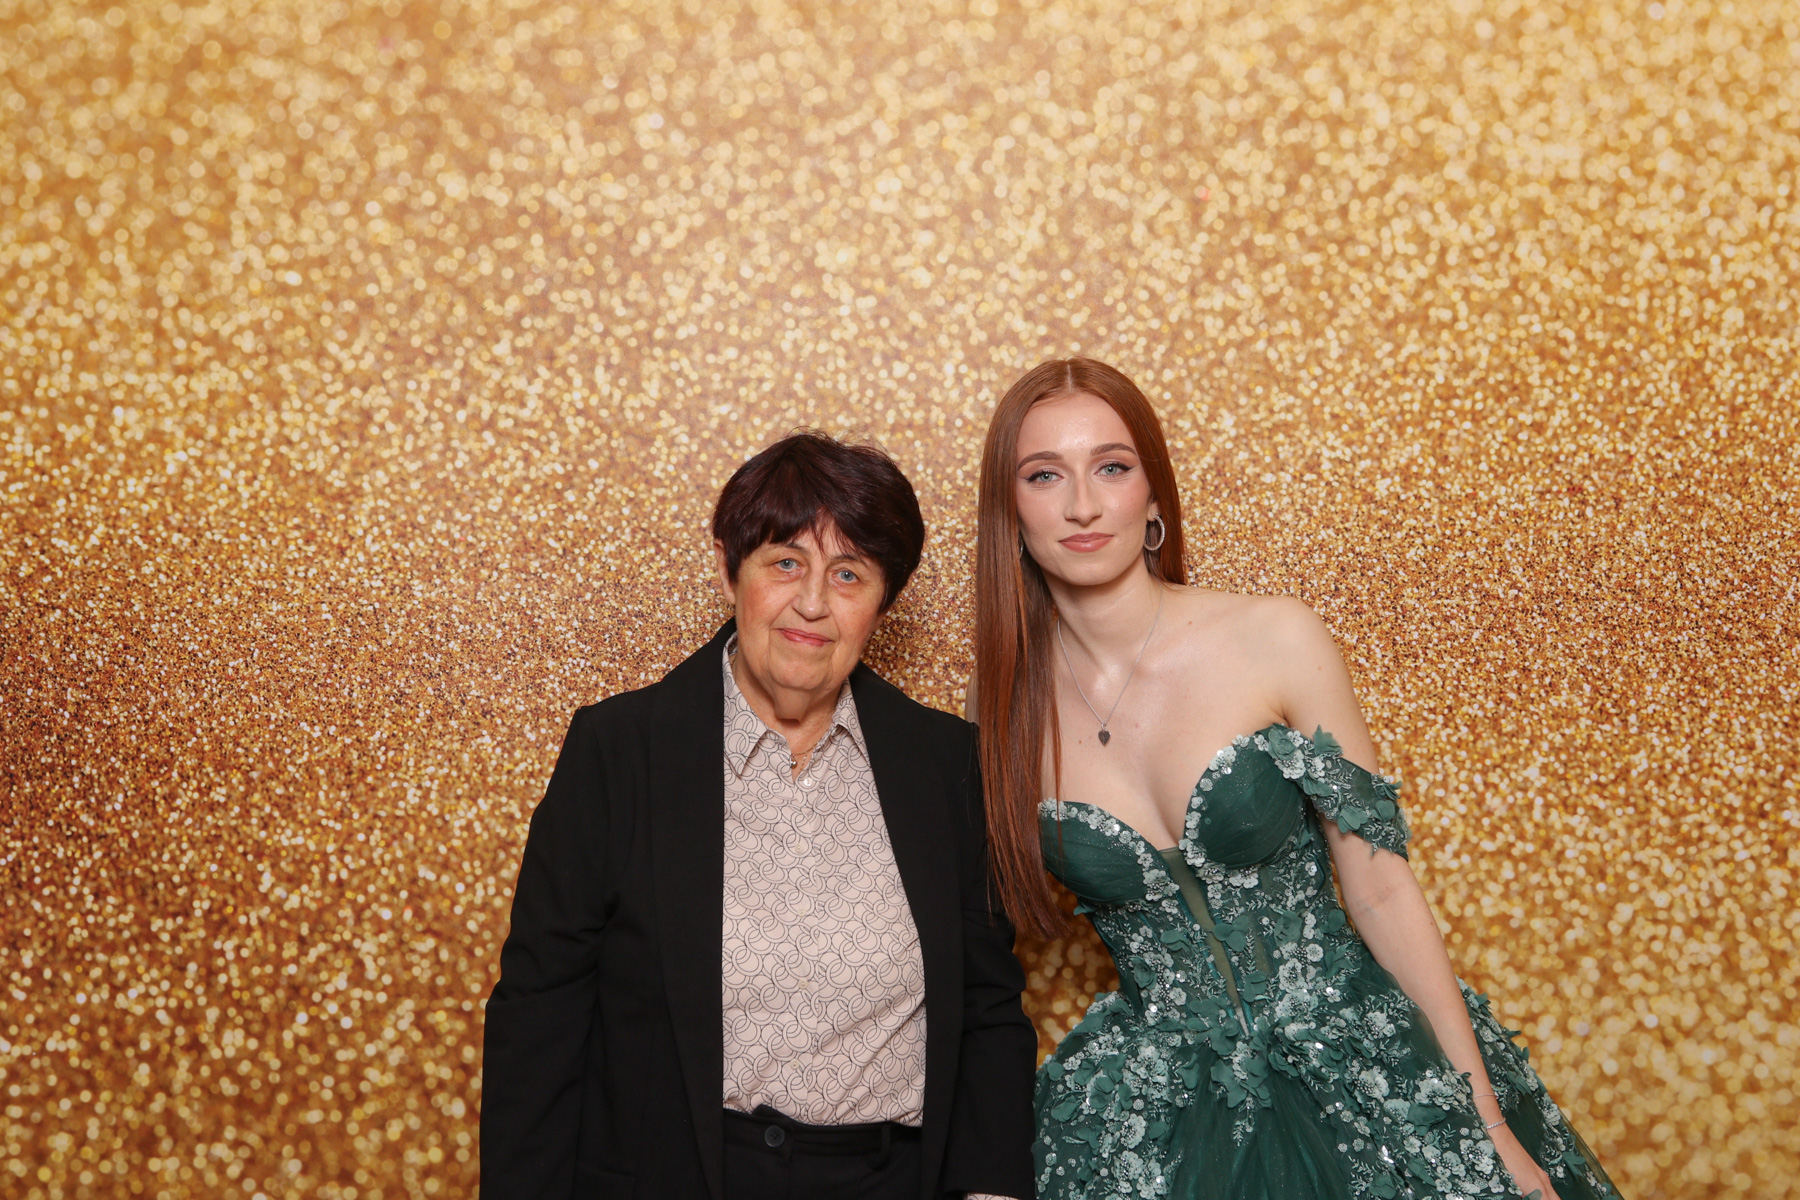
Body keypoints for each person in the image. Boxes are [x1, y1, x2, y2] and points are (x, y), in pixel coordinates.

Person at [969, 359, 1621, 1200]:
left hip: (1356, 1063)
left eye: (1112, 467)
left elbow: (1380, 890)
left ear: (1153, 496)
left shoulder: (1273, 638)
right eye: (1044, 475)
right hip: (1154, 1113)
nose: (1083, 505)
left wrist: (1487, 1124)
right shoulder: (1001, 712)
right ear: (1010, 511)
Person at [482, 431, 1036, 1200]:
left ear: (883, 603)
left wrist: (992, 1191)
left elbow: (986, 1009)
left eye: (849, 573)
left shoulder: (947, 766)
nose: (812, 602)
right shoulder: (619, 751)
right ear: (729, 568)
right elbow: (539, 1022)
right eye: (785, 563)